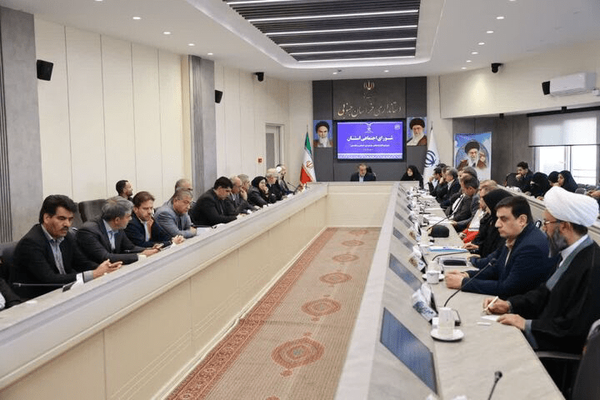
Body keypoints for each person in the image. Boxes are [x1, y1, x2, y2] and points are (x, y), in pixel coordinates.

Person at [484, 187, 600, 355]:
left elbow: (574, 330)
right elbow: (544, 293)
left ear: (564, 226)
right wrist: (510, 304)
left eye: (546, 223)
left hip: (555, 355)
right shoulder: (568, 253)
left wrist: (526, 324)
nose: (544, 229)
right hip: (543, 334)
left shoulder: (592, 266)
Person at [12, 195, 122, 299]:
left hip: (62, 291)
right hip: (36, 299)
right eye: (62, 219)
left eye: (70, 219)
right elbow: (49, 279)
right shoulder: (31, 243)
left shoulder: (67, 237)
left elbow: (82, 263)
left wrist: (105, 268)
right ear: (46, 218)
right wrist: (93, 274)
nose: (68, 224)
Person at [445, 195, 552, 297]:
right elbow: (496, 269)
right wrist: (466, 275)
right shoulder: (515, 235)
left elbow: (509, 288)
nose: (497, 224)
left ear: (522, 220)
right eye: (498, 219)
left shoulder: (531, 247)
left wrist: (464, 283)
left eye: (503, 219)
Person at [77, 196, 159, 264]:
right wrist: (140, 256)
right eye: (128, 216)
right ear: (117, 220)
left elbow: (130, 247)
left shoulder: (118, 226)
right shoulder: (88, 231)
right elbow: (105, 257)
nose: (130, 219)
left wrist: (147, 250)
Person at [464, 188, 512, 258]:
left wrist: (479, 258)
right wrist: (478, 248)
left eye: (488, 206)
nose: (486, 209)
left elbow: (495, 257)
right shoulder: (491, 220)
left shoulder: (503, 228)